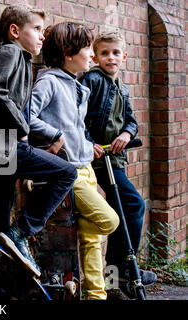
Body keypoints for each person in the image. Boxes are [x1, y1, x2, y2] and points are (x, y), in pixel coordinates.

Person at [0, 4, 77, 277]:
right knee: (67, 172)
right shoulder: (11, 52)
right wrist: (21, 127)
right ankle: (24, 230)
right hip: (0, 147)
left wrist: (40, 136)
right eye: (37, 29)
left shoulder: (21, 59)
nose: (43, 36)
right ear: (15, 31)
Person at [28, 22, 120, 300]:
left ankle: (96, 296)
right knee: (109, 220)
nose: (92, 56)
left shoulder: (76, 84)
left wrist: (85, 143)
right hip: (69, 171)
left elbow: (73, 127)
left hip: (87, 167)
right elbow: (26, 117)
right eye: (87, 50)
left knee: (92, 240)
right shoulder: (49, 80)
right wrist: (54, 135)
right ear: (68, 54)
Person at [80, 31, 157, 287]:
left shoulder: (121, 86)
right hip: (98, 160)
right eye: (104, 53)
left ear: (124, 56)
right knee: (134, 205)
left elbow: (131, 120)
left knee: (120, 212)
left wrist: (127, 132)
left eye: (115, 53)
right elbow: (77, 117)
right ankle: (125, 268)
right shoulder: (92, 80)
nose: (110, 57)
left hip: (115, 160)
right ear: (95, 56)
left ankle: (113, 280)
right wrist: (88, 142)